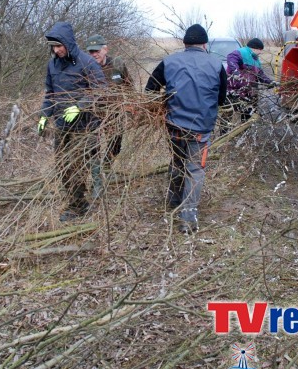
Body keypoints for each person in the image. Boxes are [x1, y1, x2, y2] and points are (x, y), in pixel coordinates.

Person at [144, 24, 227, 234]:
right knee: (195, 170)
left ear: (185, 43)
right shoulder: (217, 65)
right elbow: (221, 99)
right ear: (204, 44)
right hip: (200, 129)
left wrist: (164, 102)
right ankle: (188, 219)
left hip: (174, 127)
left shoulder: (169, 61)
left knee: (177, 161)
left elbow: (150, 89)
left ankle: (173, 200)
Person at [38, 21, 107, 221]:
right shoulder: (52, 64)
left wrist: (79, 106)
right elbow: (49, 94)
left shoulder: (87, 63)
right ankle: (77, 201)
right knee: (62, 166)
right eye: (53, 46)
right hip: (62, 125)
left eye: (59, 45)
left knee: (75, 165)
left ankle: (77, 206)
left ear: (68, 43)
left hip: (86, 127)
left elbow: (101, 90)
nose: (57, 50)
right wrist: (43, 115)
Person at [85, 34, 133, 198]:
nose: (94, 55)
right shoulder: (86, 68)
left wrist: (129, 107)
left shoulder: (117, 64)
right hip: (93, 115)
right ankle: (97, 181)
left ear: (105, 49)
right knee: (92, 147)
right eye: (91, 52)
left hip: (114, 114)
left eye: (97, 51)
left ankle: (106, 167)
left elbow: (129, 87)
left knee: (115, 144)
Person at [225, 38, 276, 121]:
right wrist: (236, 73)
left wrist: (269, 82)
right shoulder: (242, 52)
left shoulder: (255, 59)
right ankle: (226, 132)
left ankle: (244, 131)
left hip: (248, 93)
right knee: (228, 115)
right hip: (234, 91)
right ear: (254, 48)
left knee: (247, 116)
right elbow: (231, 58)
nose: (260, 52)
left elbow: (260, 74)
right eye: (260, 50)